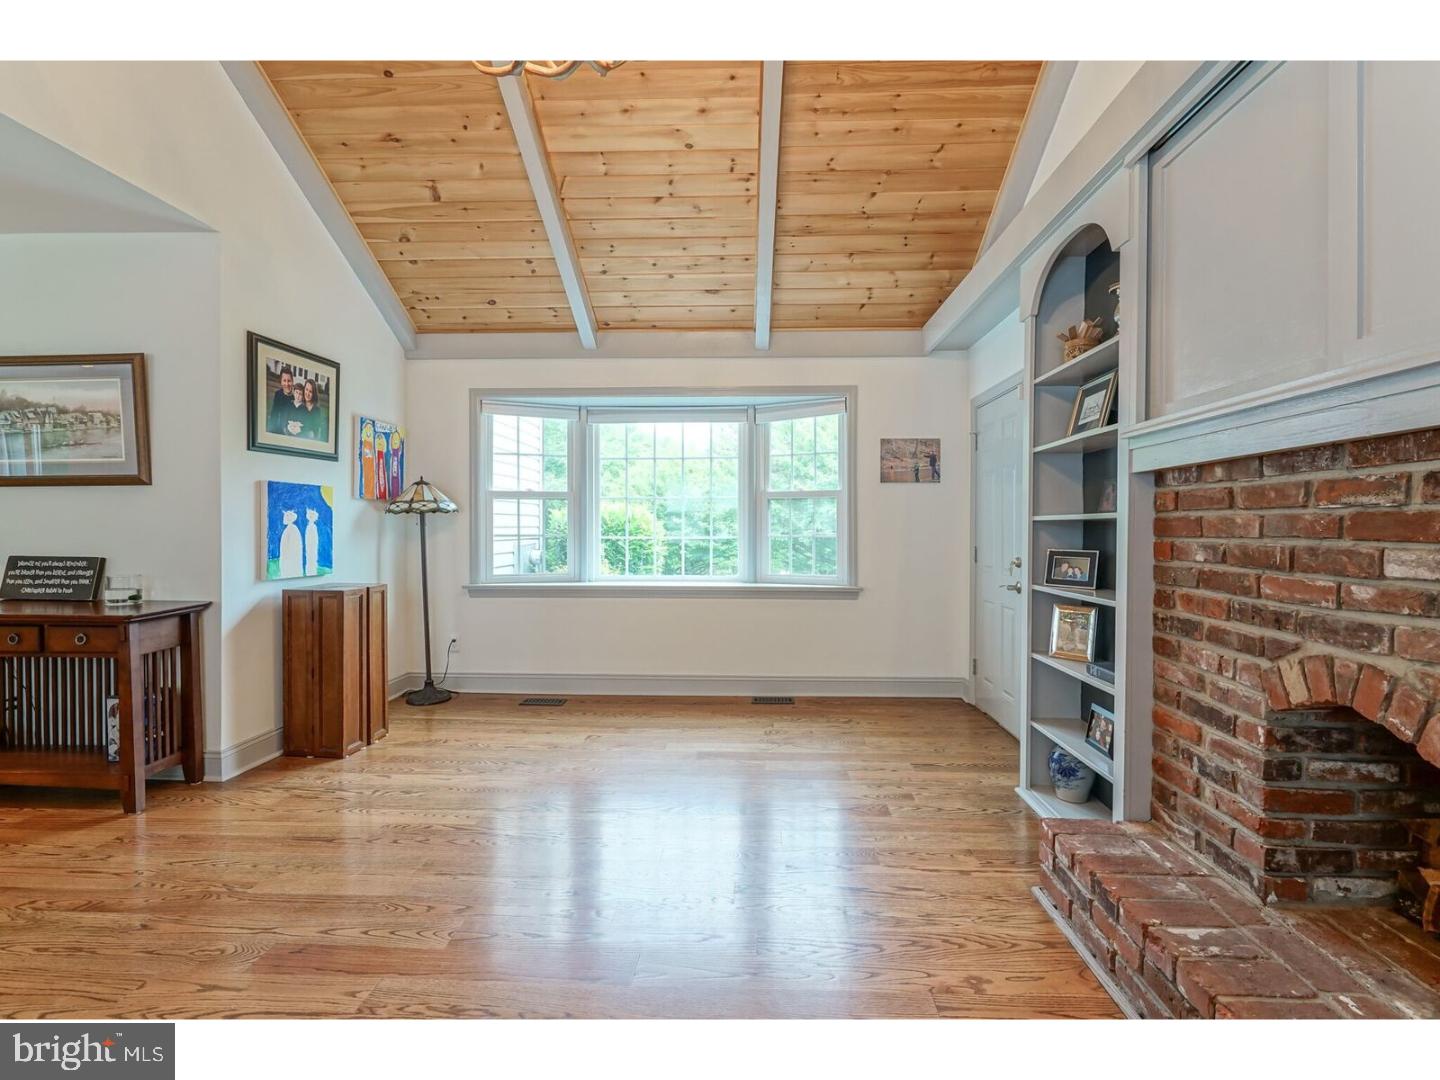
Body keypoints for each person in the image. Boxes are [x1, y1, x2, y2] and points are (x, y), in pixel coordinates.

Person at [267, 367, 298, 435]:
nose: (286, 384)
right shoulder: (278, 394)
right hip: (280, 429)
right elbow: (274, 415)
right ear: (281, 382)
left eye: (289, 381)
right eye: (284, 380)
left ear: (292, 381)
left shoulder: (296, 396)